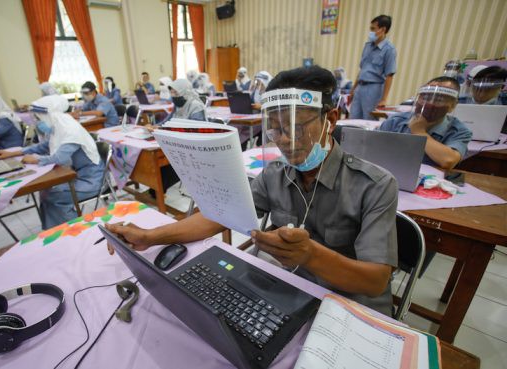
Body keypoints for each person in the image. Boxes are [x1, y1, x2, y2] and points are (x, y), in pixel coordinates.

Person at [106, 66, 399, 315]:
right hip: (295, 294)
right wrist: (149, 236)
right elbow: (219, 216)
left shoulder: (374, 185)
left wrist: (310, 256)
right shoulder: (275, 175)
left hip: (352, 309)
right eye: (274, 128)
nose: (284, 139)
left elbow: (375, 281)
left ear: (331, 120)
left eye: (296, 127)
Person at [0, 95, 104, 230]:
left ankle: (71, 231)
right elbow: (44, 146)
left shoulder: (70, 129)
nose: (38, 122)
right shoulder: (59, 126)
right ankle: (54, 230)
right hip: (75, 174)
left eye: (39, 117)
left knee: (53, 195)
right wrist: (15, 153)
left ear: (50, 114)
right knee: (47, 191)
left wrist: (37, 159)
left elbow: (60, 158)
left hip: (91, 180)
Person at [379, 76, 472, 170]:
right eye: (425, 98)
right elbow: (373, 148)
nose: (429, 104)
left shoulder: (459, 130)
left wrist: (419, 132)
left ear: (452, 105)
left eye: (439, 100)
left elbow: (448, 160)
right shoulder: (396, 121)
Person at [349, 15, 397, 119]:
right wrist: (353, 89)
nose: (370, 32)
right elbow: (362, 70)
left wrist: (384, 99)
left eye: (373, 29)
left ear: (383, 29)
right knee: (352, 119)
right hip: (360, 87)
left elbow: (390, 75)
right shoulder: (367, 46)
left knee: (368, 120)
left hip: (373, 89)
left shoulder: (389, 50)